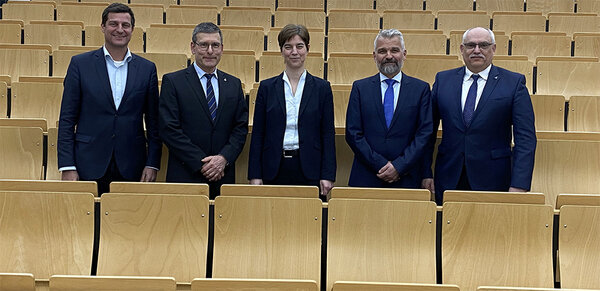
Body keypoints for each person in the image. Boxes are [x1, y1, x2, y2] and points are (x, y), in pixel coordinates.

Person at [422, 27, 536, 205]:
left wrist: (519, 184)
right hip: (449, 176)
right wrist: (425, 172)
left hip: (494, 178)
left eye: (483, 45)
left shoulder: (514, 83)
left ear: (493, 49)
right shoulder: (443, 81)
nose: (476, 50)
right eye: (470, 45)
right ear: (461, 49)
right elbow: (427, 132)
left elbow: (525, 138)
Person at [58, 3, 161, 195]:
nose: (120, 30)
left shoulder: (147, 69)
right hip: (87, 163)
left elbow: (154, 123)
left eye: (126, 25)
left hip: (133, 164)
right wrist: (67, 165)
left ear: (132, 29)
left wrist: (152, 163)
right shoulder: (80, 64)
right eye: (114, 24)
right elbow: (66, 120)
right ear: (103, 27)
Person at [159, 22, 248, 199]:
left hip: (223, 175)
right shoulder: (173, 82)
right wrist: (203, 164)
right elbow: (169, 129)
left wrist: (223, 159)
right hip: (185, 174)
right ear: (193, 47)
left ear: (222, 49)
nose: (209, 51)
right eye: (203, 45)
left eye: (215, 45)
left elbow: (240, 128)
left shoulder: (234, 84)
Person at [248, 24, 336, 200]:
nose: (294, 52)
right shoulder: (267, 87)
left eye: (299, 46)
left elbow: (327, 134)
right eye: (288, 47)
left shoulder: (322, 88)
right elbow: (258, 133)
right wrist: (254, 174)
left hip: (310, 167)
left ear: (308, 49)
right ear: (281, 50)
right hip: (274, 167)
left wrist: (328, 174)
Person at [345, 29, 433, 188]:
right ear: (374, 56)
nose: (389, 56)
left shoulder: (421, 89)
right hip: (367, 176)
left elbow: (424, 134)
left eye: (394, 50)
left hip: (407, 177)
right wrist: (379, 164)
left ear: (404, 54)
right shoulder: (360, 88)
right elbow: (353, 133)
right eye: (382, 51)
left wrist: (399, 166)